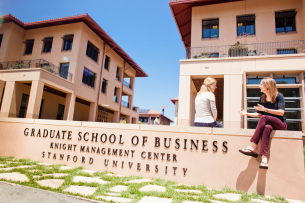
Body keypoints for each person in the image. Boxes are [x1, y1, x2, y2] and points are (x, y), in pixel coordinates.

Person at [238, 78, 287, 169]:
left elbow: (281, 112)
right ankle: (264, 159)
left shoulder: (279, 96)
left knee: (264, 117)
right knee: (267, 127)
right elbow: (259, 114)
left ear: (267, 86)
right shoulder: (263, 98)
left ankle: (253, 144)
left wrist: (265, 110)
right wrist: (246, 113)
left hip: (280, 123)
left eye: (261, 84)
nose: (259, 86)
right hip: (269, 124)